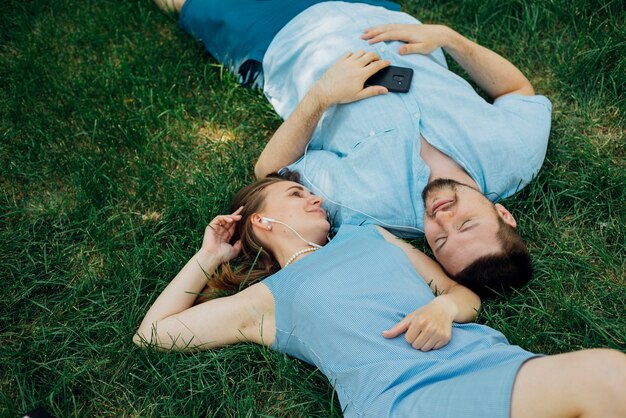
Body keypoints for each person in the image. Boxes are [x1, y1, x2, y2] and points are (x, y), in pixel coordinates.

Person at [134, 173, 626, 418]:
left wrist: (442, 307)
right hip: (404, 401)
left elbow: (461, 295)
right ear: (262, 220)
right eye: (293, 193)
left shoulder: (368, 234)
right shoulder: (266, 300)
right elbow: (153, 335)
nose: (314, 196)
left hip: (490, 362)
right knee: (607, 375)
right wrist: (208, 255)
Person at [155, 1, 553, 297]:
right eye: (466, 223)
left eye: (440, 241)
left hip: (283, 40)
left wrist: (321, 97)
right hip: (372, 9)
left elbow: (270, 171)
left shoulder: (372, 205)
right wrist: (450, 39)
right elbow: (516, 91)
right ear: (503, 213)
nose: (442, 219)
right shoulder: (516, 155)